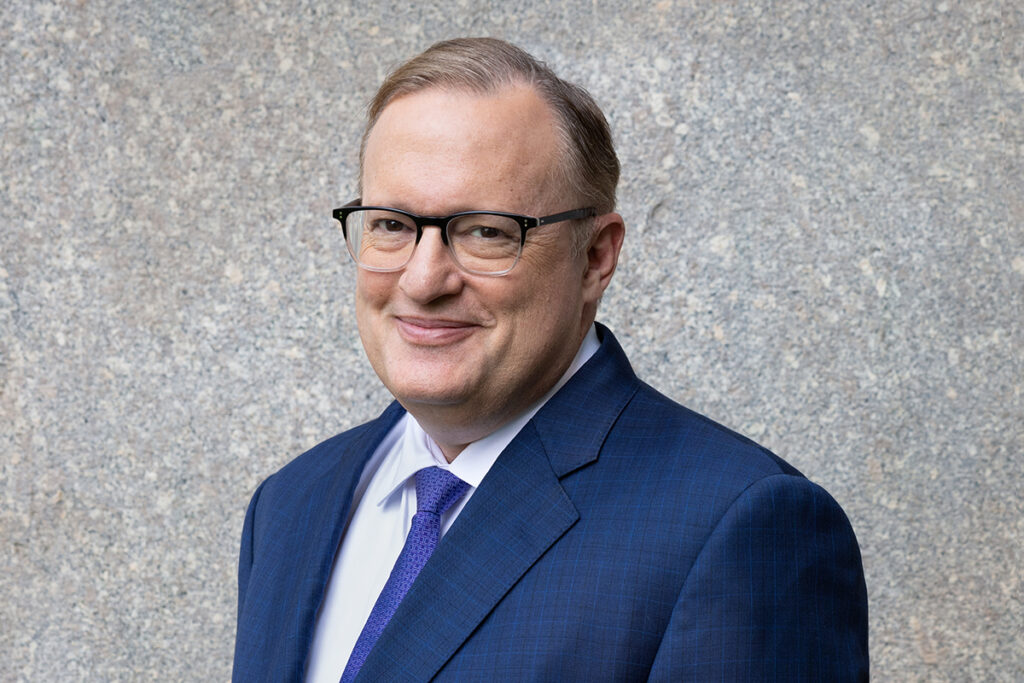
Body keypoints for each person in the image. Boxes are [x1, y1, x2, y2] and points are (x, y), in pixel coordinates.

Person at [232, 37, 868, 682]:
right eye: (392, 225)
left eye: (485, 231)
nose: (423, 281)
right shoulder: (289, 506)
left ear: (596, 257)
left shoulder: (739, 528)